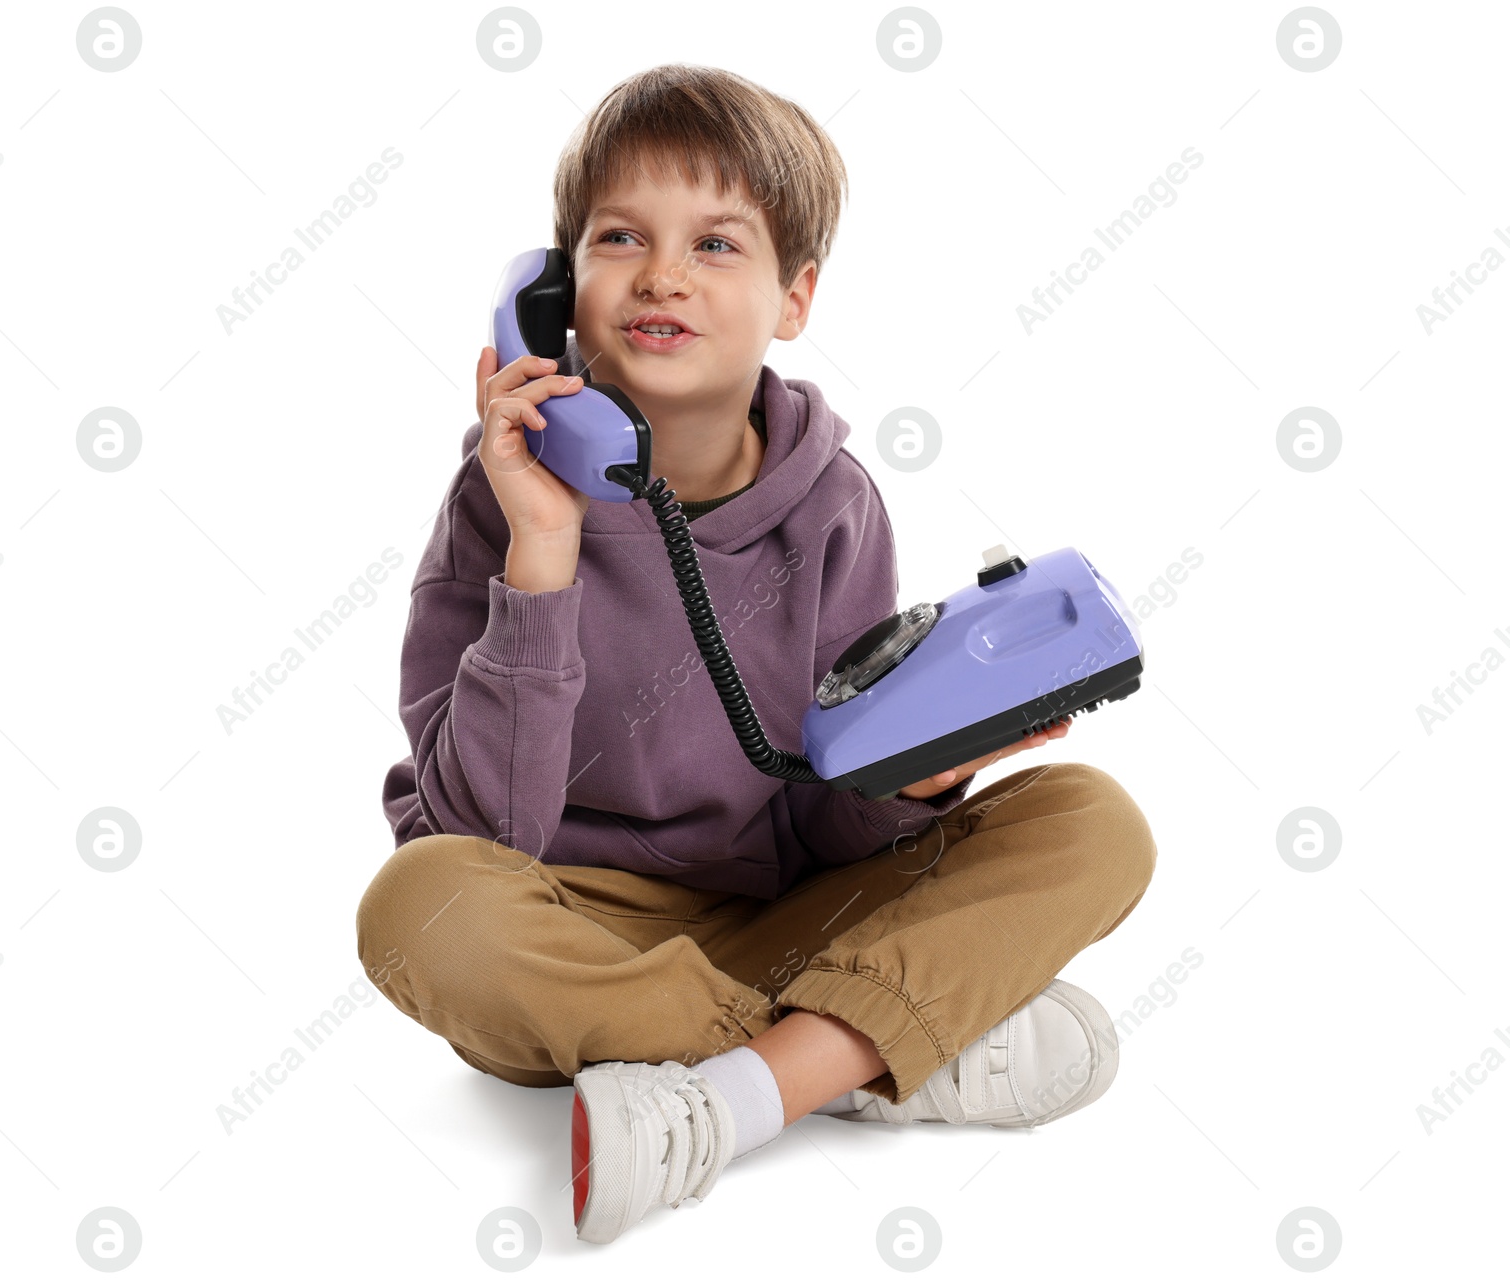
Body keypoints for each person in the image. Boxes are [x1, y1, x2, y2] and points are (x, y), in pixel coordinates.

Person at [357, 63, 1157, 1246]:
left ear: (794, 297)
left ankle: (730, 1091)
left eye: (716, 243)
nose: (663, 273)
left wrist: (909, 782)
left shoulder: (831, 504)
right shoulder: (499, 499)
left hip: (783, 908)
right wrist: (542, 547)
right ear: (558, 293)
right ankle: (856, 1052)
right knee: (416, 904)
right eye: (620, 236)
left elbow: (819, 820)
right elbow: (486, 832)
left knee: (1091, 817)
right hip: (580, 934)